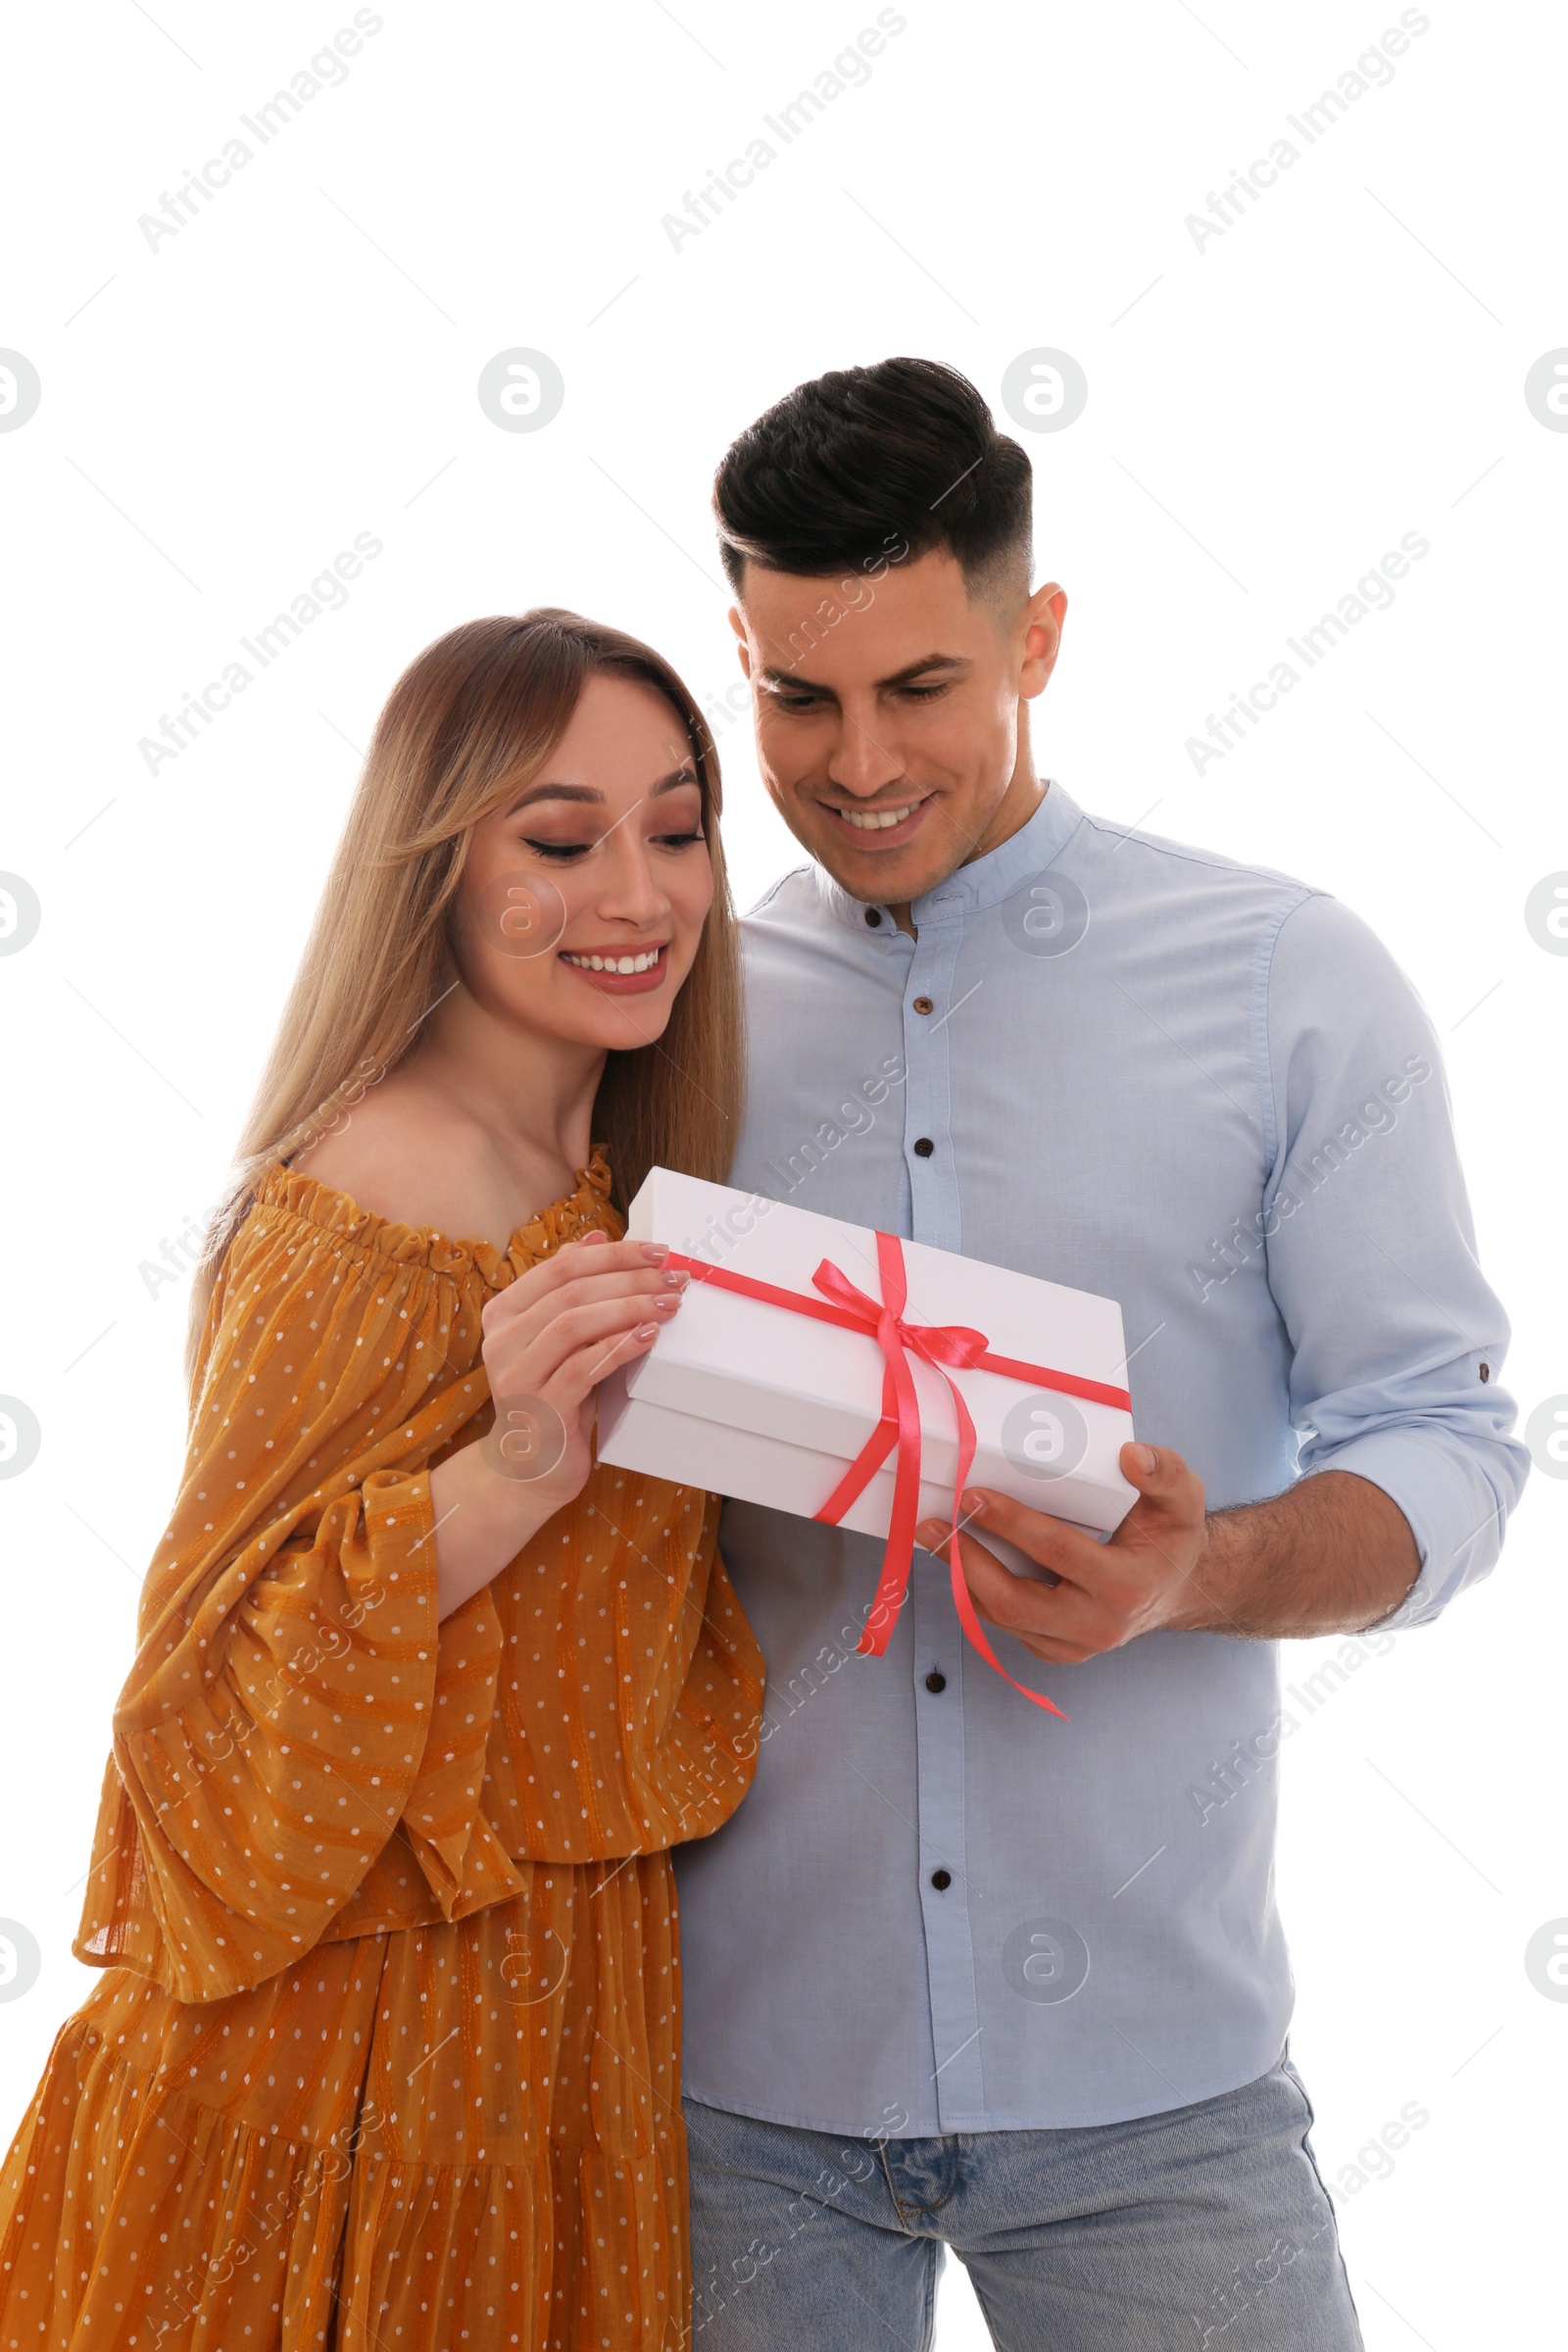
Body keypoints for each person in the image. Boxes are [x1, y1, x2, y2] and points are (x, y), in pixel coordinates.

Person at [672, 359, 1529, 2349]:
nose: (856, 761)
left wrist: (1200, 1570)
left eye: (918, 688)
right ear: (738, 659)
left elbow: (1449, 1446)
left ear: (1033, 636)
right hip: (727, 2090)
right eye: (797, 697)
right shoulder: (674, 1011)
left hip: (1154, 2097)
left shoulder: (1280, 983)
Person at [0, 612, 765, 2352]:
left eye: (678, 826)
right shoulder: (377, 1191)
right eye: (560, 844)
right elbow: (192, 1709)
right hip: (336, 2066)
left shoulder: (610, 1172)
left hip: (548, 2042)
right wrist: (509, 1472)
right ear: (433, 867)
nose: (637, 895)